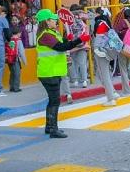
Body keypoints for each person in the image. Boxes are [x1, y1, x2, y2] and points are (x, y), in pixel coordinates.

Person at [35, 9, 89, 138]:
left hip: (52, 72)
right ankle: (53, 130)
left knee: (52, 101)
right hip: (49, 73)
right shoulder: (45, 35)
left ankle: (49, 127)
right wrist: (79, 40)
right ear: (46, 22)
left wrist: (69, 39)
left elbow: (62, 44)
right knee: (55, 101)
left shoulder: (51, 33)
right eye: (53, 19)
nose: (55, 20)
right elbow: (61, 47)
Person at [91, 7, 120, 106]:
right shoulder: (106, 22)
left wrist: (95, 49)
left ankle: (111, 99)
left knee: (104, 75)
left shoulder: (100, 23)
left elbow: (99, 39)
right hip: (107, 51)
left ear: (98, 14)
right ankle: (113, 92)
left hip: (101, 52)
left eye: (95, 13)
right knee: (102, 74)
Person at [68, 4, 90, 88]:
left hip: (72, 45)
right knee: (82, 63)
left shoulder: (68, 20)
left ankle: (75, 80)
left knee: (73, 63)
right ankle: (84, 80)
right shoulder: (82, 18)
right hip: (82, 44)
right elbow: (88, 16)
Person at [6, 25, 26, 93]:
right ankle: (16, 88)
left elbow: (10, 50)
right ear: (18, 33)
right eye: (20, 33)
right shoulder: (19, 41)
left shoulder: (11, 40)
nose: (21, 34)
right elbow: (22, 52)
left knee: (12, 73)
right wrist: (24, 61)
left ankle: (11, 87)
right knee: (17, 73)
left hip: (9, 59)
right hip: (15, 60)